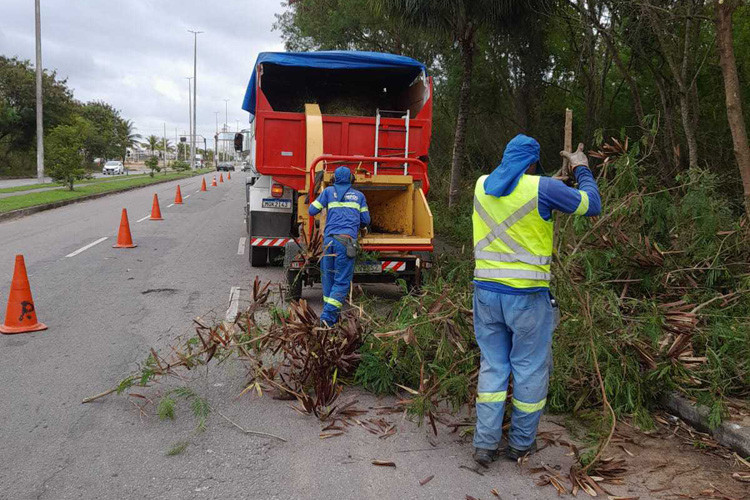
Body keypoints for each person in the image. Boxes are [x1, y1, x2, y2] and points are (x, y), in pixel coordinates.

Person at [471, 134, 601, 466]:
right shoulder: (544, 189)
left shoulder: (482, 185)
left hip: (486, 296)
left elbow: (516, 194)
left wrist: (552, 185)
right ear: (532, 164)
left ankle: (485, 445)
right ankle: (519, 445)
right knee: (528, 369)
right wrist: (582, 169)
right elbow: (591, 204)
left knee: (493, 366)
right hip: (527, 299)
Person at [309, 166, 370, 326]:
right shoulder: (360, 196)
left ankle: (331, 317)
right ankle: (327, 318)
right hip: (346, 242)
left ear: (334, 179)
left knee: (328, 279)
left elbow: (311, 210)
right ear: (351, 179)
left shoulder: (328, 192)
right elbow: (366, 220)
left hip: (329, 242)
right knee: (342, 282)